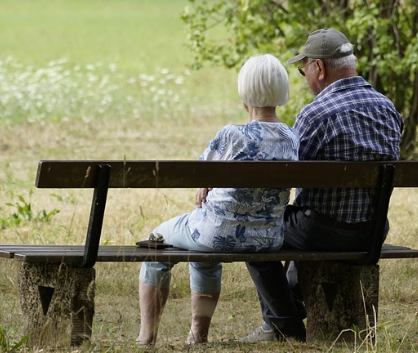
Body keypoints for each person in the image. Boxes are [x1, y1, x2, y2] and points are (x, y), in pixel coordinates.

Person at [240, 28, 404, 343]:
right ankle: (286, 310)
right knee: (305, 218)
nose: (305, 78)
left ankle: (284, 323)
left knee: (253, 228)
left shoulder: (316, 114)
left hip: (325, 233)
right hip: (372, 231)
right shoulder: (388, 109)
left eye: (304, 71)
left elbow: (286, 178)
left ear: (319, 68)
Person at [136, 54, 300, 347]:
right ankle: (197, 335)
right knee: (202, 251)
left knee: (155, 242)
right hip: (268, 239)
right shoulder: (291, 137)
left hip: (216, 234)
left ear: (245, 94)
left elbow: (200, 173)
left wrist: (206, 185)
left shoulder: (232, 135)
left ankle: (146, 337)